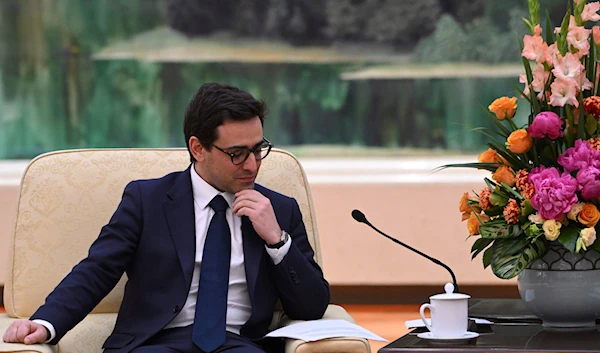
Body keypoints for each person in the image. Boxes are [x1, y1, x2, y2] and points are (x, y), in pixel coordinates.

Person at [2, 83, 330, 353]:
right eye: (237, 153)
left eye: (258, 149)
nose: (252, 164)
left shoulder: (280, 209)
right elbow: (98, 270)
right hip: (155, 342)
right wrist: (45, 324)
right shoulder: (147, 200)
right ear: (198, 148)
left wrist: (277, 240)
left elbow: (312, 307)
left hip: (239, 345)